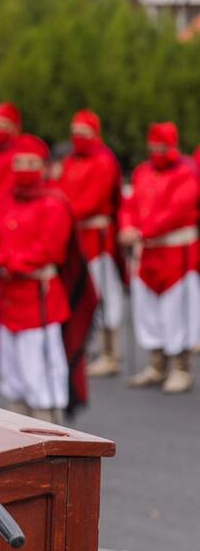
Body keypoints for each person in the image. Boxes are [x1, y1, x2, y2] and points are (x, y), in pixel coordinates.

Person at [0, 135, 73, 423]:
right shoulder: (8, 201)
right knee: (15, 378)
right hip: (10, 302)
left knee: (42, 380)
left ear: (44, 168)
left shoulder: (54, 203)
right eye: (19, 163)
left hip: (38, 302)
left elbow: (47, 251)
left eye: (31, 163)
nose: (23, 169)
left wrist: (1, 259)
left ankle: (51, 441)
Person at [120, 122, 199, 394]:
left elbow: (178, 211)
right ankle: (157, 363)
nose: (157, 151)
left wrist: (140, 231)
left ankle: (181, 368)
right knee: (149, 309)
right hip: (148, 251)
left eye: (162, 147)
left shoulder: (186, 173)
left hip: (176, 252)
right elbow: (128, 206)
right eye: (153, 147)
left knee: (178, 311)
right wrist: (128, 226)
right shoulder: (143, 172)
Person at [56, 110, 124, 377]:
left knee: (105, 296)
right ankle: (88, 346)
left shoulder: (104, 161)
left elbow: (93, 201)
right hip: (77, 236)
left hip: (97, 238)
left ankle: (111, 352)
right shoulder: (71, 160)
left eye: (83, 133)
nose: (77, 138)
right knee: (81, 293)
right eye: (75, 132)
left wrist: (62, 211)